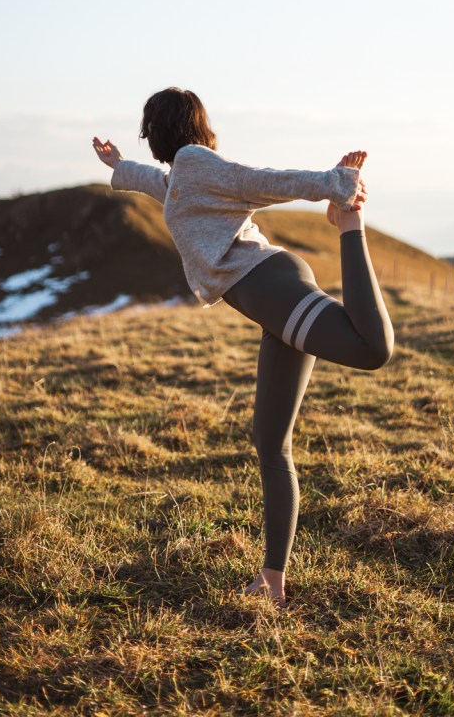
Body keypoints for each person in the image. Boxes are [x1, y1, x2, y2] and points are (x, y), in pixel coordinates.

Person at [93, 87, 394, 608]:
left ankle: (349, 224)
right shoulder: (182, 178)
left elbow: (259, 181)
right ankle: (272, 580)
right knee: (269, 442)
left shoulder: (196, 163)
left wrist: (334, 185)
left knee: (373, 350)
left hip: (272, 286)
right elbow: (155, 184)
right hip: (268, 299)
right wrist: (119, 167)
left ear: (160, 129)